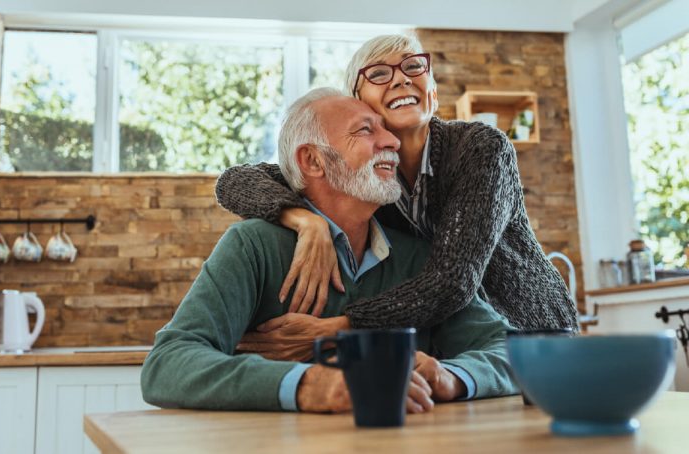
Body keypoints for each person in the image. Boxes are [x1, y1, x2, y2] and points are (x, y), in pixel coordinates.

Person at [141, 88, 518, 412]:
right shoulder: (253, 246)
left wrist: (450, 375)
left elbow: (510, 351)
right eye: (366, 130)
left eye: (385, 130)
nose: (392, 141)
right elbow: (167, 365)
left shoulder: (419, 258)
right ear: (313, 160)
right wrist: (310, 385)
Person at [214, 34, 578, 351]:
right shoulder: (364, 179)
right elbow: (235, 181)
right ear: (357, 101)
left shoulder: (481, 149)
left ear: (432, 93)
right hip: (453, 344)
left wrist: (340, 328)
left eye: (413, 68)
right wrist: (307, 222)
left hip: (531, 333)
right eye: (379, 74)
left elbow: (452, 282)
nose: (401, 79)